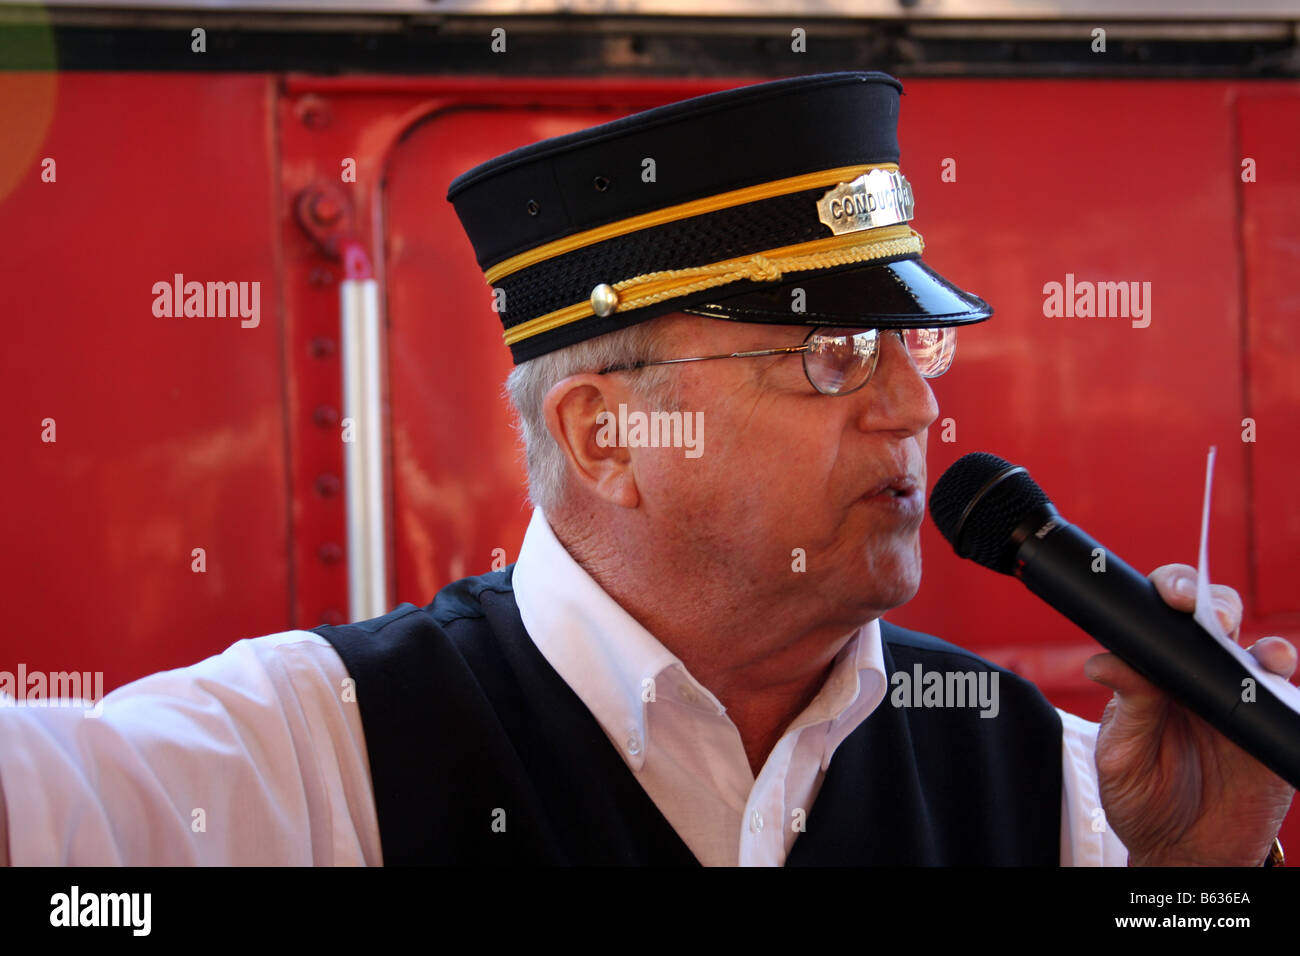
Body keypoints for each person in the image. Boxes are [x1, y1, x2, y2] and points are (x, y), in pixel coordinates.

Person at [0, 71, 1292, 866]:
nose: (913, 407)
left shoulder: (1058, 788)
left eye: (913, 348)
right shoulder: (310, 760)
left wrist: (1198, 880)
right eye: (832, 354)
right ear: (603, 435)